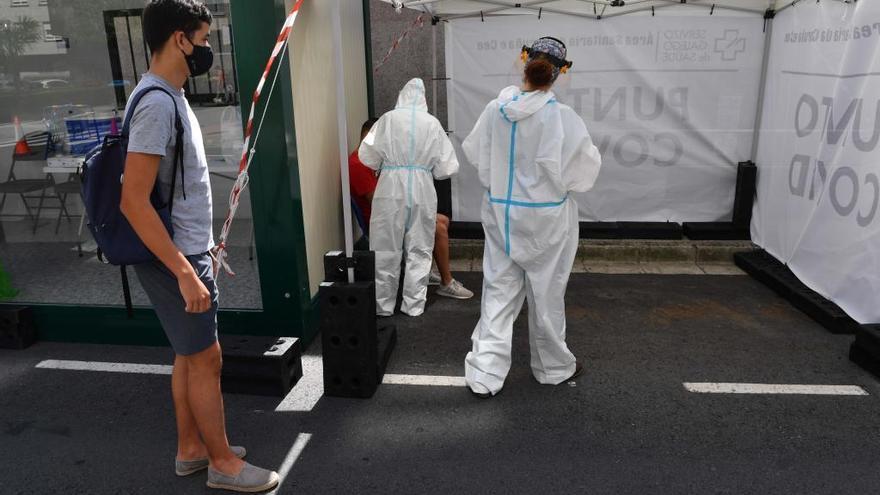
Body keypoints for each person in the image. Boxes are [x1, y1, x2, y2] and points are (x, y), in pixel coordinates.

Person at [119, 1, 278, 491]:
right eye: (204, 39)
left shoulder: (167, 94)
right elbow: (133, 201)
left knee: (188, 356)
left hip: (185, 250)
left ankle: (192, 450)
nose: (208, 48)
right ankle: (222, 464)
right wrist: (186, 271)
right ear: (179, 39)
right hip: (177, 258)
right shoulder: (156, 103)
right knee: (207, 359)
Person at [461, 37, 602, 398]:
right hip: (547, 219)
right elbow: (583, 173)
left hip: (502, 212)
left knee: (498, 291)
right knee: (547, 293)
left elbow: (474, 151)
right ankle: (553, 368)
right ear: (561, 73)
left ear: (523, 61)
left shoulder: (496, 109)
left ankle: (485, 373)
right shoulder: (562, 117)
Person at [358, 78, 460, 316]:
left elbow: (367, 155)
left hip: (390, 185)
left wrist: (387, 162)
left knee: (385, 245)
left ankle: (383, 306)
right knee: (420, 246)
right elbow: (447, 168)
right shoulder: (432, 123)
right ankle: (413, 305)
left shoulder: (387, 120)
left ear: (401, 95)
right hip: (422, 187)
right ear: (423, 98)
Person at [350, 119, 473, 300]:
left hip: (394, 214)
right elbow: (380, 202)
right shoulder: (358, 164)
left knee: (442, 220)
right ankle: (446, 282)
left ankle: (423, 271)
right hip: (384, 222)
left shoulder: (371, 161)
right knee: (438, 228)